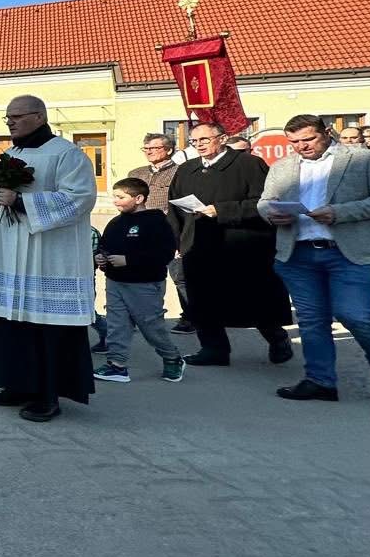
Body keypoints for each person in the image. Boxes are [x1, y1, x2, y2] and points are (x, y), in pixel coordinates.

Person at [0, 95, 96, 422]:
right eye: (7, 117)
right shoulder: (10, 155)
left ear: (39, 117)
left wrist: (23, 202)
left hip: (47, 256)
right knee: (10, 322)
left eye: (17, 116)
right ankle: (16, 384)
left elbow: (79, 199)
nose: (10, 122)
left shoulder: (67, 155)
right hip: (9, 254)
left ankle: (47, 394)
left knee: (44, 327)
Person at [259, 115, 370, 402]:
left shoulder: (364, 159)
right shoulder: (282, 166)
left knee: (356, 315)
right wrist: (271, 214)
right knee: (312, 320)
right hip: (297, 253)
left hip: (348, 252)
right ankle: (320, 381)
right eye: (294, 142)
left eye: (308, 139)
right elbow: (264, 201)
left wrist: (340, 212)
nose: (301, 146)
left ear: (327, 132)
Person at [165, 121, 293, 368]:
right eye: (194, 141)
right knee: (202, 299)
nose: (199, 145)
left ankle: (276, 338)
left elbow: (264, 202)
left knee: (253, 298)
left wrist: (222, 210)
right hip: (199, 242)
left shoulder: (248, 164)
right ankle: (213, 349)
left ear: (221, 138)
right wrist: (176, 239)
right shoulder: (187, 169)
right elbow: (174, 206)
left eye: (204, 139)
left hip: (241, 243)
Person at [92, 177, 186, 384]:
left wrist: (129, 260)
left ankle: (172, 358)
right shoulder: (115, 222)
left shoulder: (155, 221)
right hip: (115, 282)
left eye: (121, 197)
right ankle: (117, 365)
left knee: (150, 325)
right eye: (114, 197)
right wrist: (100, 256)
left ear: (139, 198)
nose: (115, 201)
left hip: (144, 284)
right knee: (117, 324)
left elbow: (165, 253)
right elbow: (105, 246)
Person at [127, 132, 192, 333]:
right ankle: (140, 316)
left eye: (154, 148)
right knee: (140, 276)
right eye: (146, 148)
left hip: (170, 232)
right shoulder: (136, 173)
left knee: (180, 277)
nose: (148, 152)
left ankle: (191, 317)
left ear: (169, 150)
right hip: (140, 232)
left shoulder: (182, 172)